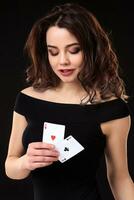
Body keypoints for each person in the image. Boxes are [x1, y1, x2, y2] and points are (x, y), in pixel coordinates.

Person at [5, 3, 134, 200]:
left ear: (91, 49)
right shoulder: (27, 99)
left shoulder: (112, 110)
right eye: (53, 52)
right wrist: (25, 162)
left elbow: (119, 178)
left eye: (74, 50)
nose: (62, 61)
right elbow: (11, 168)